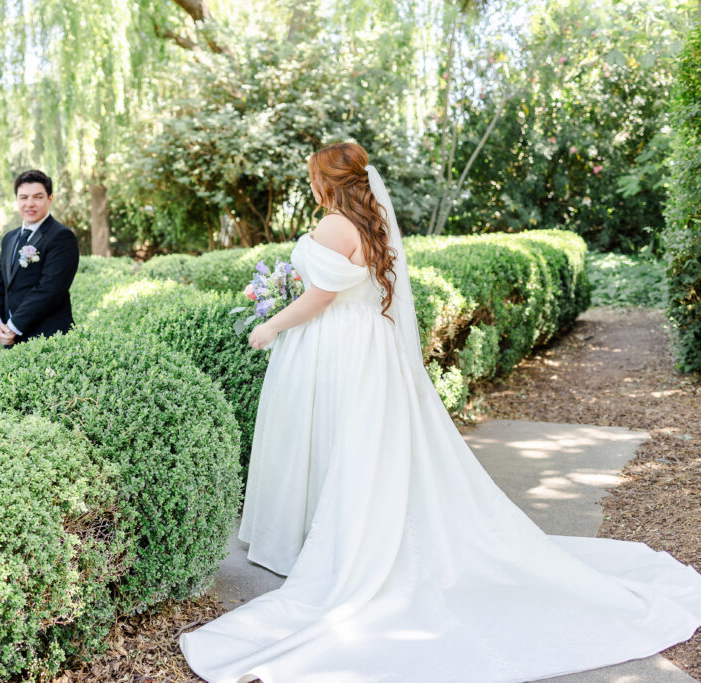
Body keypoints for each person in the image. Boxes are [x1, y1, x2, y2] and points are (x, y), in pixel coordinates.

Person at [178, 143, 701, 682]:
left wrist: (270, 326)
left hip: (336, 346)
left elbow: (319, 298)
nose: (309, 182)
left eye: (312, 174)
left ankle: (328, 543)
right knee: (355, 443)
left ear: (326, 179)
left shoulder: (335, 226)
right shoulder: (371, 220)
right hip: (365, 346)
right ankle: (324, 532)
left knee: (335, 439)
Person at [0, 169, 79, 347]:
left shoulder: (61, 237)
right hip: (11, 340)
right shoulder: (9, 238)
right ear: (16, 200)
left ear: (50, 199)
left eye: (38, 197)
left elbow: (50, 290)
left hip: (49, 341)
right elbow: (1, 285)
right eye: (23, 197)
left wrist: (13, 327)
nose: (30, 203)